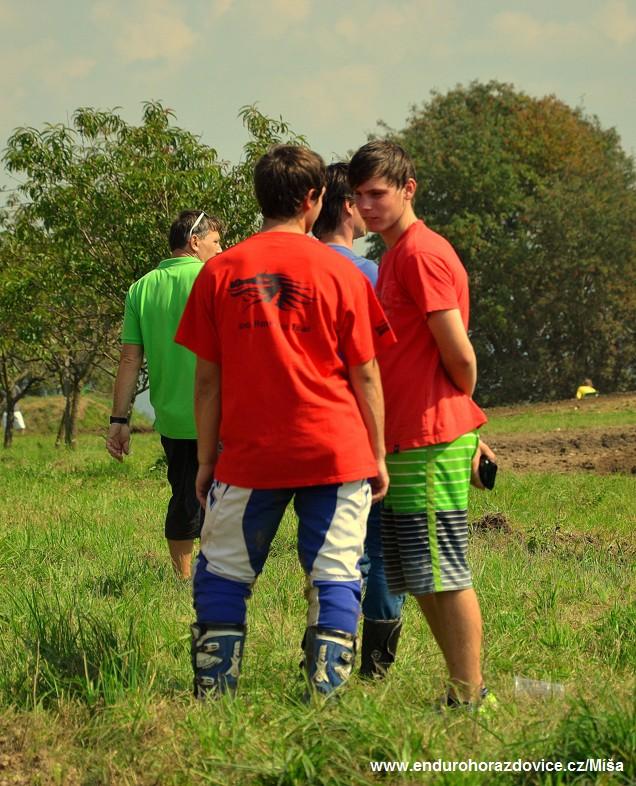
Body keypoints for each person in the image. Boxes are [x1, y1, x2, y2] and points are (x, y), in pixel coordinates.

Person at [174, 145, 395, 699]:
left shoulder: (218, 272)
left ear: (260, 198)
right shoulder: (343, 272)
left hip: (250, 454)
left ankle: (214, 695)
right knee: (336, 572)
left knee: (223, 570)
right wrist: (377, 452)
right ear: (314, 199)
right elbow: (366, 375)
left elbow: (207, 382)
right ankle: (325, 697)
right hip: (336, 450)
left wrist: (205, 460)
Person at [349, 140, 497, 709]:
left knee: (445, 571)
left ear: (408, 190)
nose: (366, 206)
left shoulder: (420, 254)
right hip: (407, 438)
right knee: (420, 574)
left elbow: (459, 354)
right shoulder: (394, 255)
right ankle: (461, 687)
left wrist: (455, 409)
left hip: (432, 436)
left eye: (377, 194)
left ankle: (470, 694)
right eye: (359, 196)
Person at [313, 162, 405, 678]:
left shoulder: (295, 268)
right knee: (383, 549)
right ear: (348, 206)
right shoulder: (371, 274)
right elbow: (386, 363)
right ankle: (375, 667)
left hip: (315, 436)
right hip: (369, 431)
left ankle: (328, 656)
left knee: (335, 552)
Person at [106, 211, 223, 580]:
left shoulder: (140, 288)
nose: (221, 250)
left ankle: (181, 579)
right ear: (194, 241)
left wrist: (119, 419)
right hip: (221, 413)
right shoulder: (216, 278)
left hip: (173, 417)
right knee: (225, 501)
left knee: (184, 497)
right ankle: (220, 576)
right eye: (216, 242)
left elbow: (130, 358)